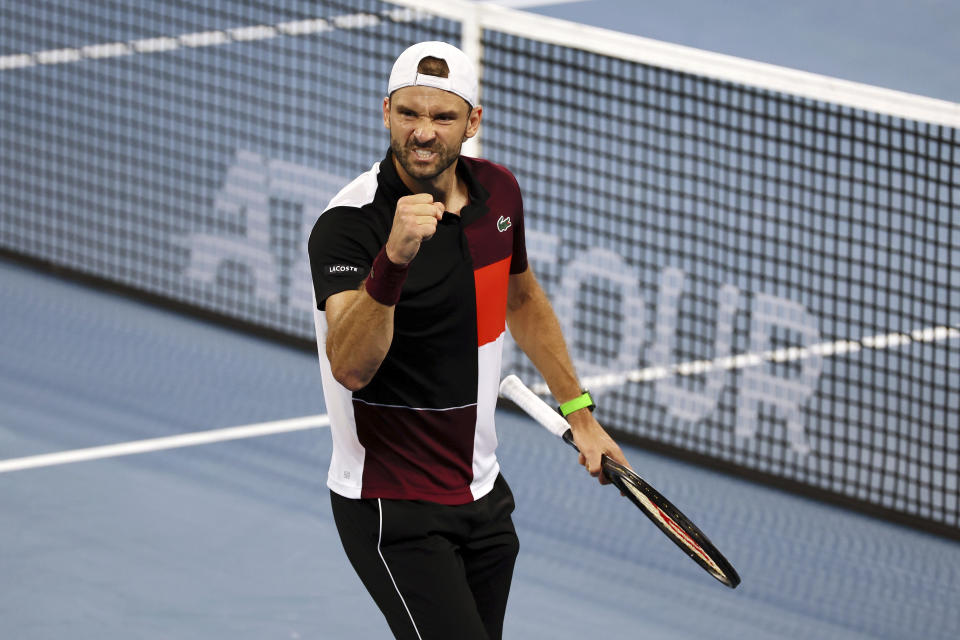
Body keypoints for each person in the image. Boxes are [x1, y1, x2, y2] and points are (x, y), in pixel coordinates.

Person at [308, 41, 630, 640]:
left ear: (473, 122)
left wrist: (580, 413)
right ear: (385, 112)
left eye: (442, 116)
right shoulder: (348, 224)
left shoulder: (499, 196)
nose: (422, 133)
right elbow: (350, 366)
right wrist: (394, 261)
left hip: (482, 494)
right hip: (390, 502)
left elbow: (524, 300)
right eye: (408, 113)